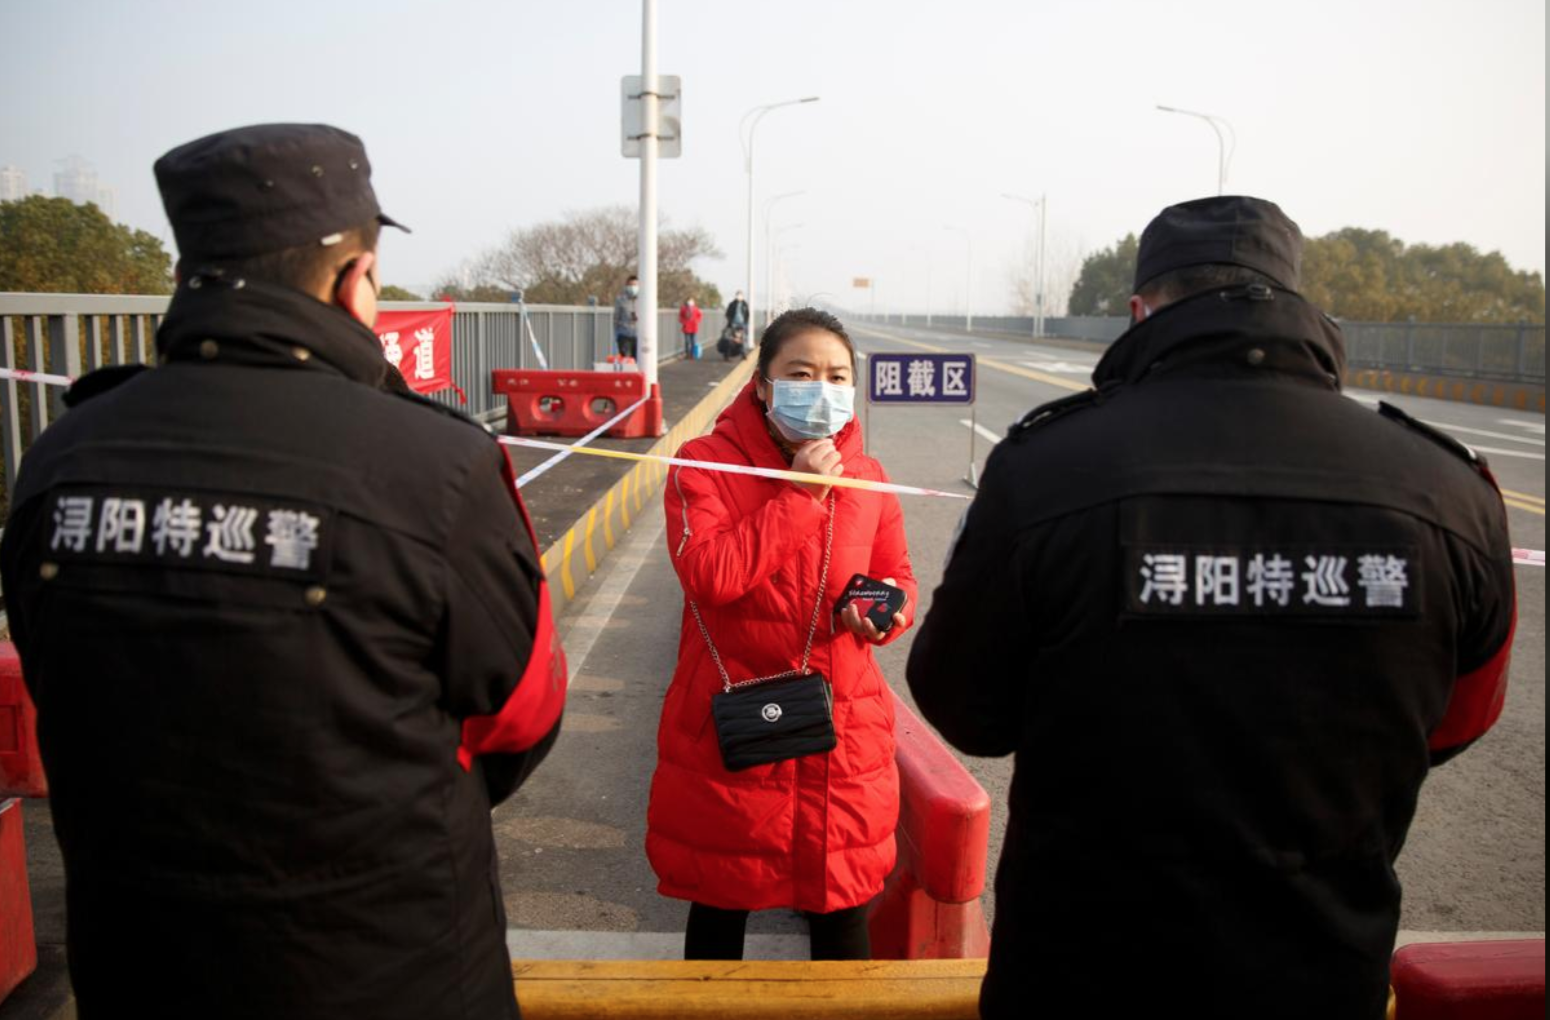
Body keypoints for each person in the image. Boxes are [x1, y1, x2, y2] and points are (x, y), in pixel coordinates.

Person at [0, 123, 568, 1020]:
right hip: (391, 971)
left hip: (140, 969)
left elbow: (55, 673)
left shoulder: (63, 455)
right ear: (355, 282)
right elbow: (520, 713)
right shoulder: (437, 468)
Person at [907, 196, 1517, 1020]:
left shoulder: (1045, 468)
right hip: (1323, 980)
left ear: (1139, 311)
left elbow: (964, 705)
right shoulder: (1449, 489)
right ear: (1302, 305)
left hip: (1077, 979)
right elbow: (1458, 720)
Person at [647, 307, 917, 961]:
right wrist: (803, 495)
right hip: (734, 722)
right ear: (763, 384)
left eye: (836, 376)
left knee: (841, 900)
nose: (821, 389)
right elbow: (710, 575)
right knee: (721, 897)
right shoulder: (705, 465)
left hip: (842, 735)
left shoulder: (871, 477)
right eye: (801, 373)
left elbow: (897, 579)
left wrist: (883, 613)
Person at [614, 273, 640, 361]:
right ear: (627, 286)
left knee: (637, 361)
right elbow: (616, 317)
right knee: (626, 361)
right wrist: (617, 334)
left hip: (638, 336)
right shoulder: (620, 299)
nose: (633, 287)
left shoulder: (643, 300)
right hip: (624, 335)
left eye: (635, 285)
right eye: (631, 285)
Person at [725, 290, 750, 355]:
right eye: (738, 295)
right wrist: (730, 321)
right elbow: (727, 314)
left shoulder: (745, 304)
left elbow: (747, 314)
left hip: (742, 324)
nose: (739, 296)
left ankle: (743, 353)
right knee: (730, 338)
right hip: (733, 324)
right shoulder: (732, 304)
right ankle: (727, 354)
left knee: (744, 338)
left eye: (740, 295)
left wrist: (745, 322)